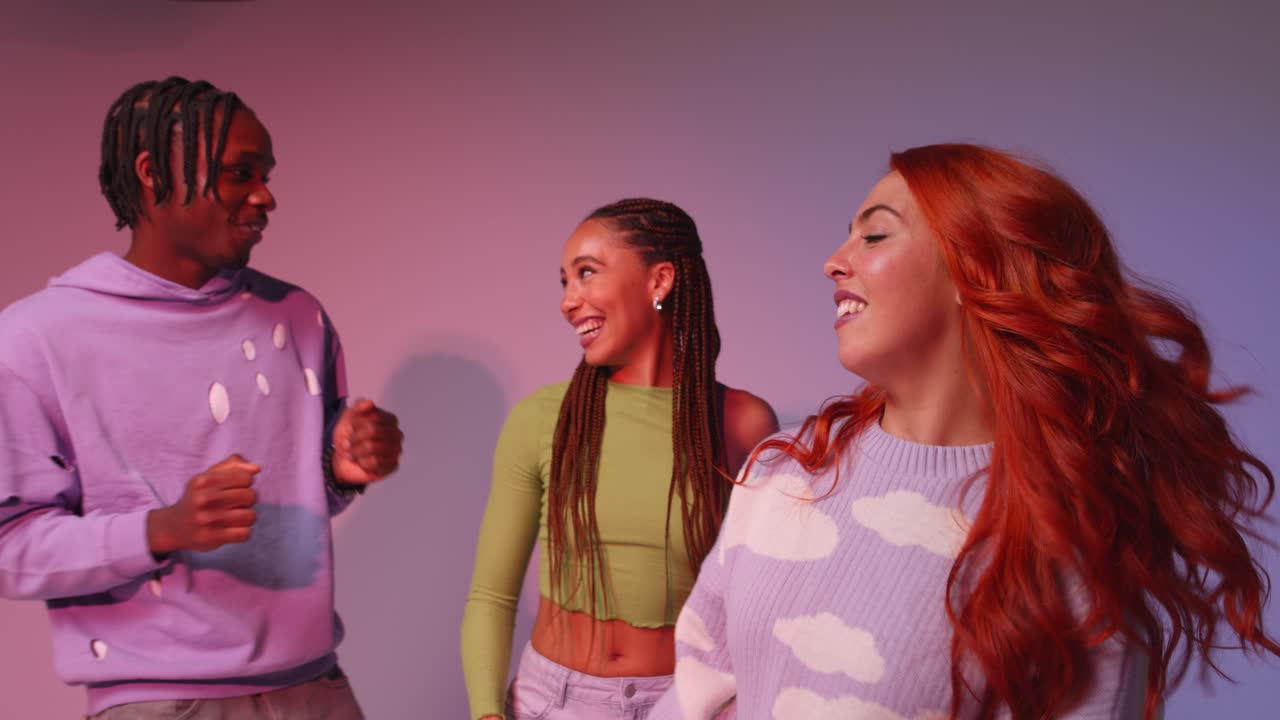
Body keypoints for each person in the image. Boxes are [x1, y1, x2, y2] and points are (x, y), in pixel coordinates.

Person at [650, 144, 1279, 719]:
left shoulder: (1065, 547)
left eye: (874, 235)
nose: (834, 262)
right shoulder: (782, 467)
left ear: (974, 270)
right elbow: (694, 693)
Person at [0, 76, 404, 719]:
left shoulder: (298, 315)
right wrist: (161, 530)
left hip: (317, 690)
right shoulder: (35, 339)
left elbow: (301, 493)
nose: (265, 195)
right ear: (152, 174)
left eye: (266, 174)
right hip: (160, 701)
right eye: (239, 172)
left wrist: (341, 466)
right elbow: (12, 550)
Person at [461, 199, 779, 720]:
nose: (568, 301)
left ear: (660, 280)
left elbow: (759, 604)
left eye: (586, 273)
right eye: (564, 282)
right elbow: (490, 597)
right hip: (552, 703)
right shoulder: (543, 418)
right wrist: (486, 714)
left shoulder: (742, 423)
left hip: (682, 702)